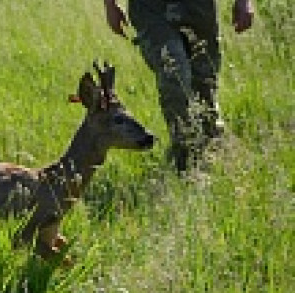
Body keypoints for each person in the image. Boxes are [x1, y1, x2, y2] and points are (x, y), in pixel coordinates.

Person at [104, 0, 254, 172]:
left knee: (205, 86)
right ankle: (185, 159)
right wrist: (110, 5)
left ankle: (212, 152)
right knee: (174, 75)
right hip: (150, 10)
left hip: (199, 9)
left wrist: (243, 2)